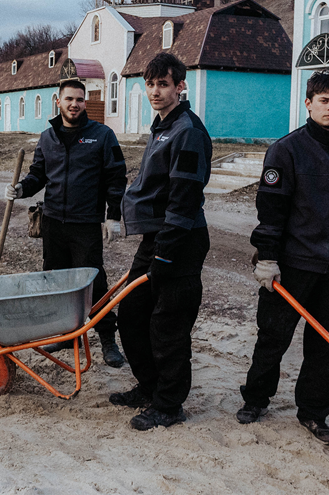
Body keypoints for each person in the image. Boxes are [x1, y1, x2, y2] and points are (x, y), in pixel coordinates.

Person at [236, 70, 329, 446]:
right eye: (325, 100)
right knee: (273, 338)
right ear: (309, 103)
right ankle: (256, 399)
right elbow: (272, 211)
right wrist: (266, 258)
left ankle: (313, 413)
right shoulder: (286, 150)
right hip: (293, 266)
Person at [111, 52, 212, 431]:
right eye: (150, 84)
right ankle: (151, 387)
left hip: (180, 239)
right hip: (158, 236)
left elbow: (183, 200)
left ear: (180, 86)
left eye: (163, 84)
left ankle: (169, 405)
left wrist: (166, 255)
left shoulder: (187, 131)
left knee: (168, 326)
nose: (155, 91)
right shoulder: (163, 126)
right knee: (132, 314)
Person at [5, 79, 128, 368]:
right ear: (57, 102)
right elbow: (38, 174)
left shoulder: (102, 135)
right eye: (69, 99)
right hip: (53, 224)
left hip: (85, 224)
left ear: (85, 103)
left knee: (94, 283)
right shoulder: (48, 137)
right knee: (56, 283)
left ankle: (108, 340)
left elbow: (116, 178)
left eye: (80, 99)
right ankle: (66, 335)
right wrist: (21, 188)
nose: (75, 104)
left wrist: (112, 216)